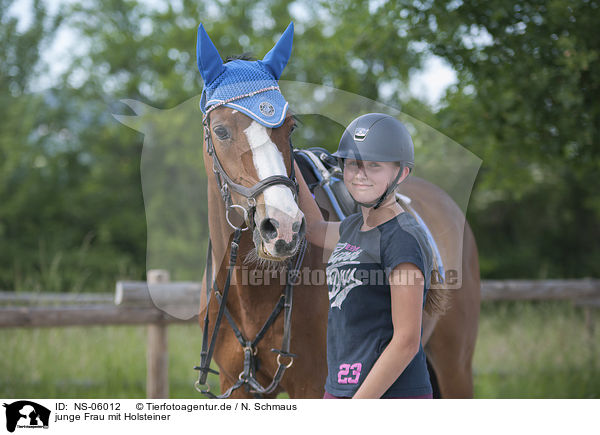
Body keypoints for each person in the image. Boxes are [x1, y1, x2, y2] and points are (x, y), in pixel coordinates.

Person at [296, 113, 434, 399]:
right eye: (353, 164)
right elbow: (313, 229)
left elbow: (407, 341)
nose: (360, 175)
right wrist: (285, 156)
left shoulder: (403, 239)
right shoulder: (352, 227)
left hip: (390, 396)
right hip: (339, 390)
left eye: (374, 166)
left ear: (401, 173)